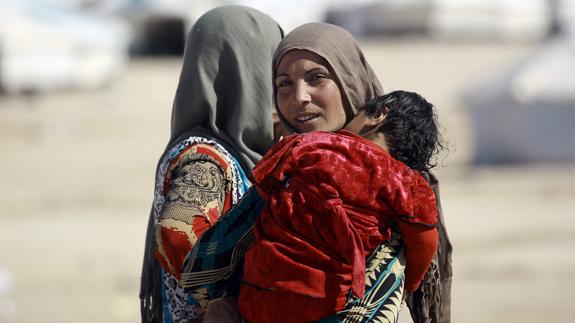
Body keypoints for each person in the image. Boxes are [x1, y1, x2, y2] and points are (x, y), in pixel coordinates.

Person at [181, 22, 453, 323]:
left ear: (350, 84)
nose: (299, 97)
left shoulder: (394, 206)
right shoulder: (288, 157)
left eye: (317, 78)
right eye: (284, 83)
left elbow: (210, 260)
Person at [239, 91, 442, 323]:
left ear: (380, 113)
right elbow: (425, 242)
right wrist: (410, 283)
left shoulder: (307, 143)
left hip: (257, 292)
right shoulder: (407, 183)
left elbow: (261, 190)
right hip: (326, 303)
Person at [139, 6, 283, 323]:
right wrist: (217, 304)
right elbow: (176, 233)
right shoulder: (207, 157)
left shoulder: (226, 148)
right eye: (275, 72)